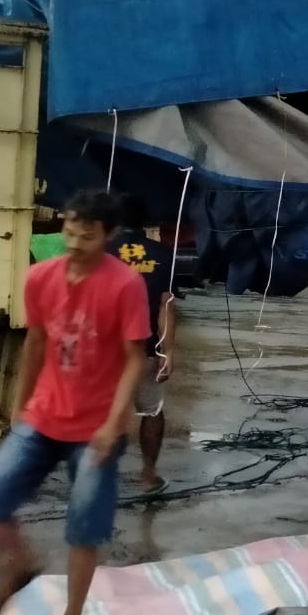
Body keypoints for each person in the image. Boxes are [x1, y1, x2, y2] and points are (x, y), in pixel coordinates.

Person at [0, 189, 149, 615]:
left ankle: (72, 614)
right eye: (70, 231)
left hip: (96, 430)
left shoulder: (126, 285)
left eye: (87, 236)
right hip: (43, 415)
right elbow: (35, 343)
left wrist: (114, 423)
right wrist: (19, 406)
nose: (74, 243)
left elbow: (135, 359)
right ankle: (20, 566)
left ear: (109, 235)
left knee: (83, 530)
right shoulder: (41, 278)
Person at [108, 192, 176, 497]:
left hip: (104, 352)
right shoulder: (162, 254)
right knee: (151, 411)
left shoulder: (101, 251)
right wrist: (167, 351)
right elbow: (166, 306)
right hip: (146, 347)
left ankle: (99, 479)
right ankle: (148, 476)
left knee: (103, 412)